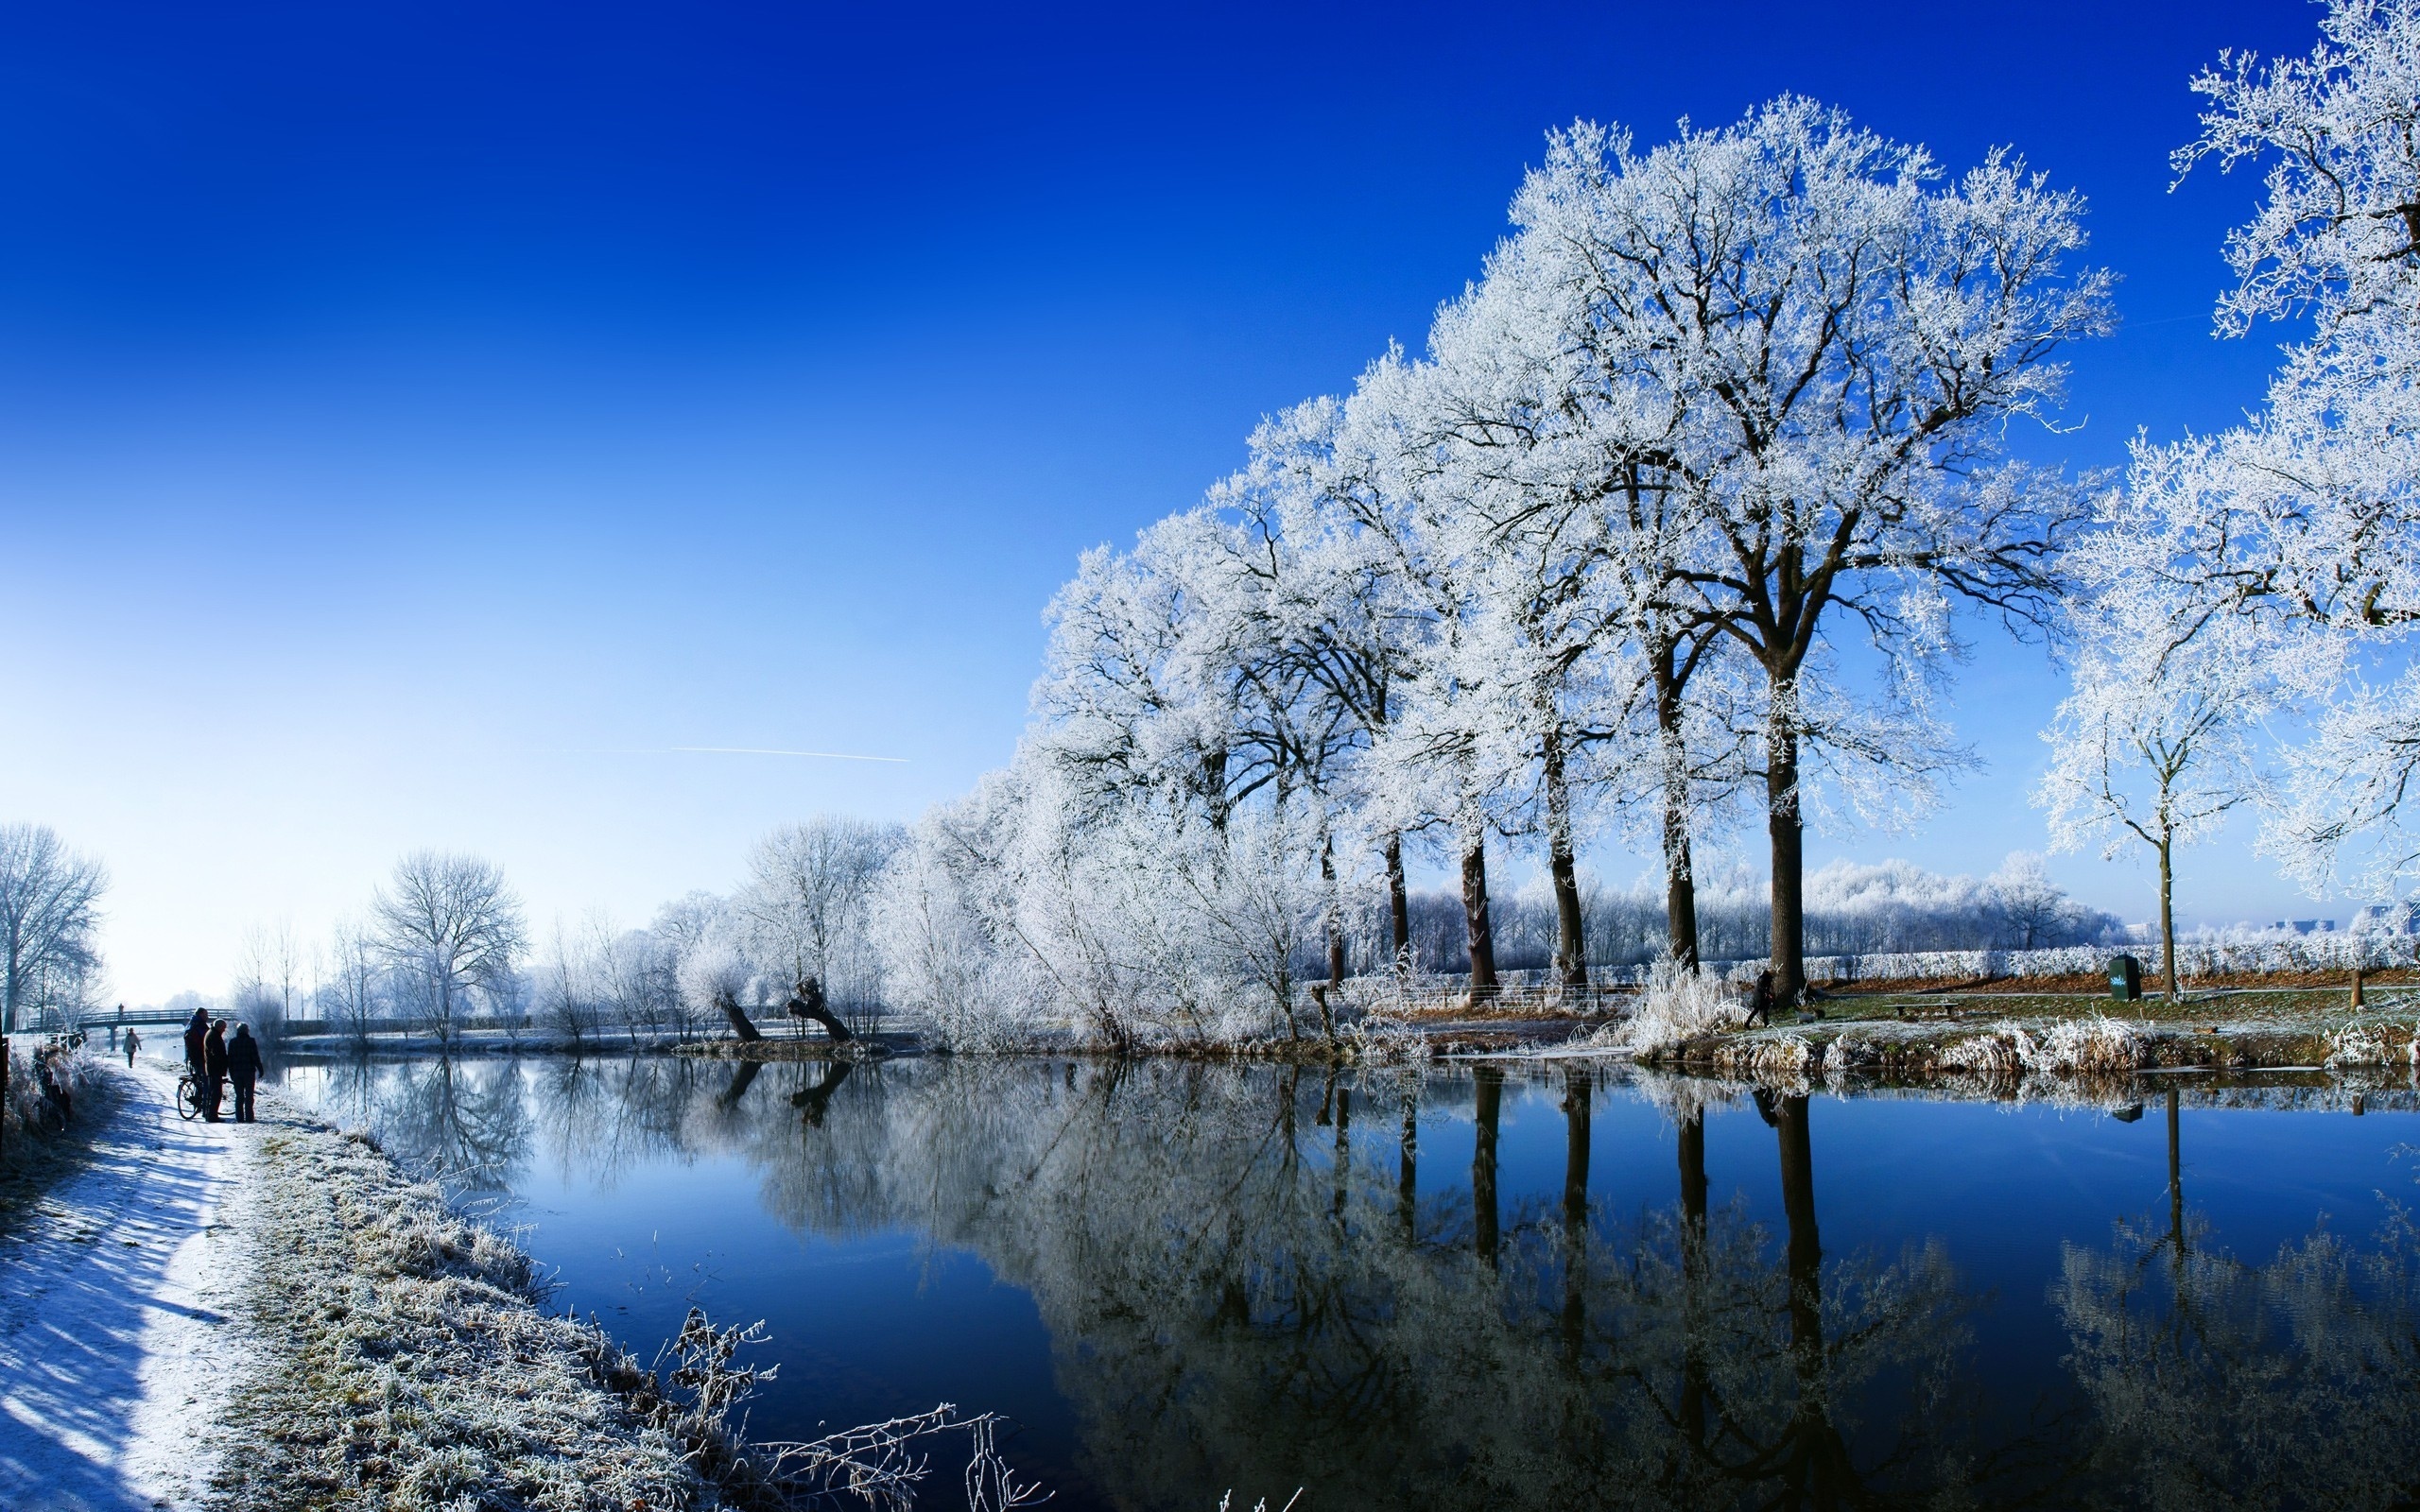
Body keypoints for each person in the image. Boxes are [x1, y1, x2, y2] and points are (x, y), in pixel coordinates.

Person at [225, 1023, 264, 1124]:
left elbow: (230, 1059)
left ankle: (239, 1118)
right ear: (247, 1031)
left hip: (237, 1073)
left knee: (239, 1096)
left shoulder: (232, 1042)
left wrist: (230, 1072)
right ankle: (249, 1117)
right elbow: (255, 1057)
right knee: (249, 1095)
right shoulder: (251, 1041)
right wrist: (260, 1068)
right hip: (249, 1072)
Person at [182, 1006, 210, 1112]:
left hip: (192, 1057)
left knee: (198, 1080)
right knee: (206, 1081)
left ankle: (198, 1105)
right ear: (201, 1014)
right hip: (201, 1057)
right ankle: (206, 1108)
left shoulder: (190, 1024)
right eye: (206, 1014)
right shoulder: (200, 1025)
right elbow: (207, 1040)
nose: (207, 1017)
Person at [202, 1021, 229, 1123]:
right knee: (216, 1093)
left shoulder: (211, 1033)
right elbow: (217, 1053)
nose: (224, 1030)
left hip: (211, 1068)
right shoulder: (214, 1036)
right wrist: (225, 1061)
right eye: (223, 1027)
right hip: (214, 1069)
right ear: (219, 1027)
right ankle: (212, 1116)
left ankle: (209, 1114)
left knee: (212, 1092)